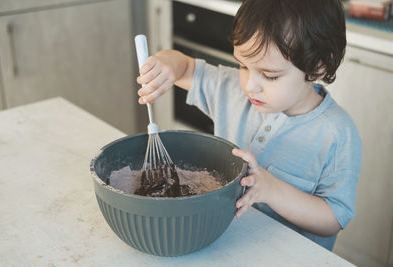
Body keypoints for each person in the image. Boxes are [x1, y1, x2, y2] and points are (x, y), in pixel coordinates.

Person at [135, 0, 361, 251]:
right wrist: (166, 66)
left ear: (319, 66)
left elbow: (333, 219)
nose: (249, 85)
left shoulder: (337, 134)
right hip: (229, 245)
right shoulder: (231, 90)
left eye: (270, 75)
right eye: (243, 65)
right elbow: (185, 66)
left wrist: (271, 190)